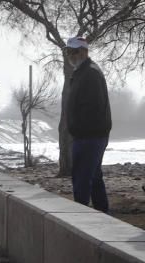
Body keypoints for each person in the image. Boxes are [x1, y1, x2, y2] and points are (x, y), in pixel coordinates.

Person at [65, 36, 111, 213]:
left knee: (82, 178)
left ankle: (81, 218)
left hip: (90, 136)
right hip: (86, 135)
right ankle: (103, 214)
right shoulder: (80, 72)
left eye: (74, 51)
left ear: (84, 52)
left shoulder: (90, 73)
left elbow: (94, 108)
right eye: (68, 52)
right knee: (93, 176)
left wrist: (79, 128)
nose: (71, 55)